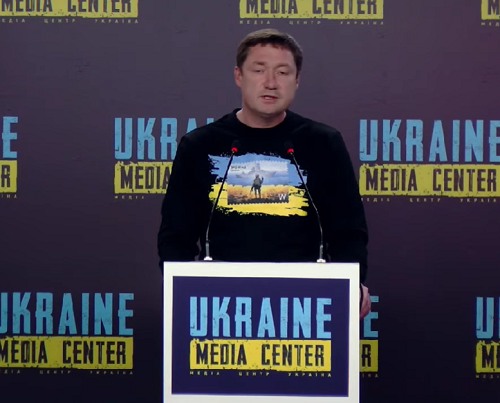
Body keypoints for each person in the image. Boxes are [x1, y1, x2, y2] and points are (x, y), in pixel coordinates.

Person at [157, 29, 371, 318]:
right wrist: (182, 289)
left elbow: (349, 232)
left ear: (297, 80)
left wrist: (351, 284)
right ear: (239, 76)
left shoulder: (323, 143)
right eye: (259, 70)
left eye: (283, 72)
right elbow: (175, 237)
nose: (271, 82)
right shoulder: (200, 145)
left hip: (306, 306)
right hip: (220, 307)